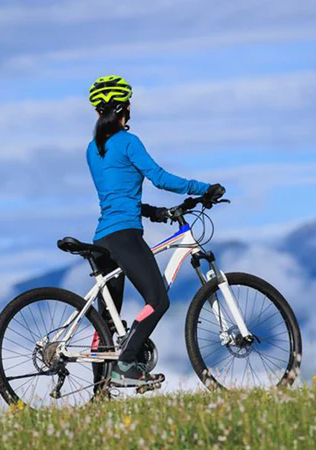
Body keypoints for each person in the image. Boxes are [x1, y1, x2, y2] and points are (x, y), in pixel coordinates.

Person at [86, 75, 224, 387]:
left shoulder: (93, 150)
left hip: (103, 238)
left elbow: (116, 198)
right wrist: (204, 188)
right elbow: (159, 178)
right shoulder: (128, 142)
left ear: (97, 112)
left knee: (106, 321)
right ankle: (126, 363)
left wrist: (153, 212)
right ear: (126, 108)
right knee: (158, 301)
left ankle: (99, 393)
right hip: (125, 236)